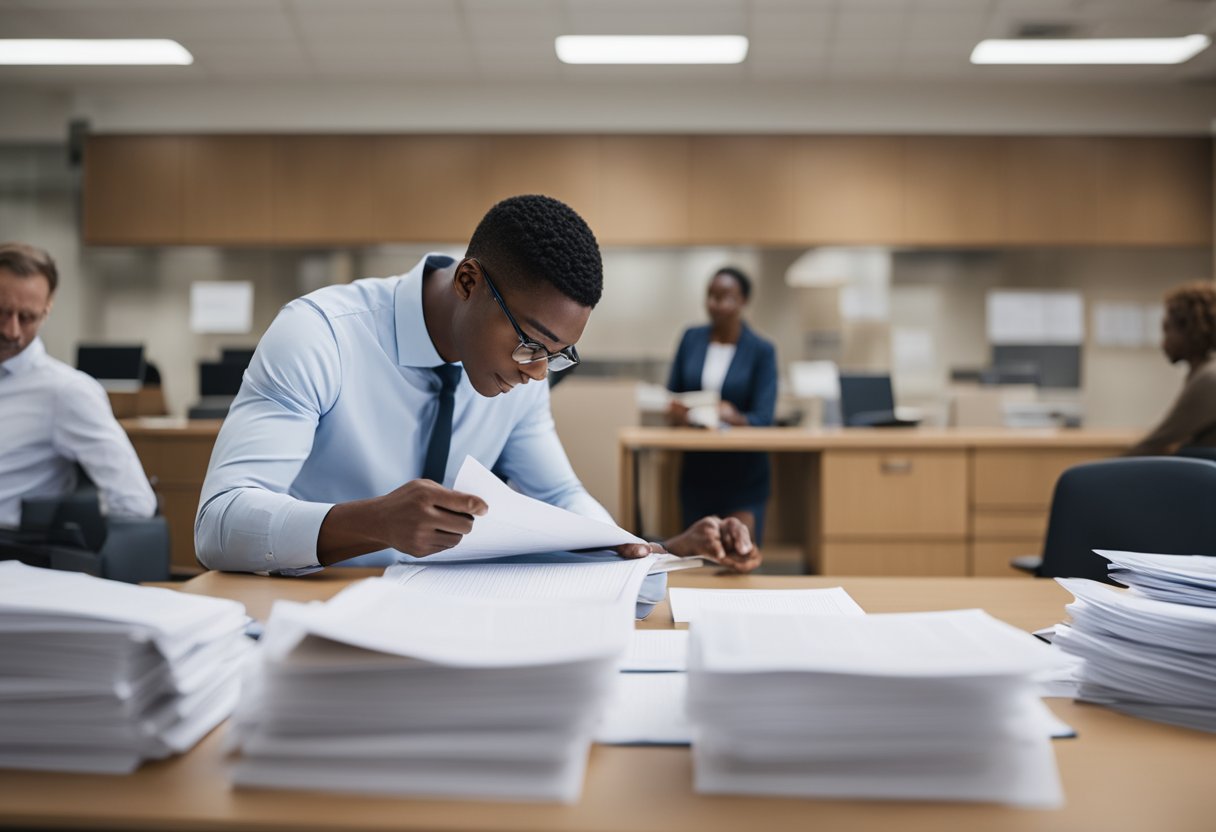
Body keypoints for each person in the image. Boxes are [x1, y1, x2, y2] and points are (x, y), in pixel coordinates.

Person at [196, 195, 665, 574]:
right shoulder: (320, 335)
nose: (537, 372)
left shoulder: (523, 374)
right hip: (307, 607)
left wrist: (621, 548)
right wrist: (374, 522)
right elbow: (218, 525)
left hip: (443, 613)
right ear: (467, 282)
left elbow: (560, 494)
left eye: (556, 354)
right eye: (530, 343)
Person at [0, 242, 157, 528]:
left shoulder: (66, 392)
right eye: (1, 312)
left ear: (47, 310)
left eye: (27, 317)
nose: (12, 331)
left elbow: (134, 501)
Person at [666, 267, 778, 546]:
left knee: (737, 554)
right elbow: (673, 393)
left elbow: (764, 417)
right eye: (711, 296)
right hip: (697, 469)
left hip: (744, 473)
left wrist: (735, 416)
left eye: (726, 297)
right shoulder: (691, 339)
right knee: (698, 557)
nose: (716, 304)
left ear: (743, 301)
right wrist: (677, 411)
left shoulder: (762, 350)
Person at [1127, 282, 1216, 456]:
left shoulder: (1209, 379)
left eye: (1167, 329)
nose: (1163, 342)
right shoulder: (1203, 373)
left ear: (1191, 330)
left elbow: (1156, 443)